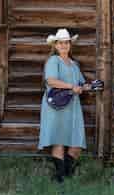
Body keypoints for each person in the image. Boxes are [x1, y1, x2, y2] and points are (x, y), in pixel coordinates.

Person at [38, 28, 90, 183]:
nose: (64, 45)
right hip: (55, 105)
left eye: (66, 42)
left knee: (76, 143)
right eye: (60, 43)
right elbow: (51, 81)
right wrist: (71, 86)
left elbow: (80, 84)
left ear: (70, 44)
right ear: (55, 45)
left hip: (72, 105)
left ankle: (64, 176)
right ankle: (61, 179)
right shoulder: (53, 61)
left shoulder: (74, 64)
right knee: (59, 140)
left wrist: (88, 87)